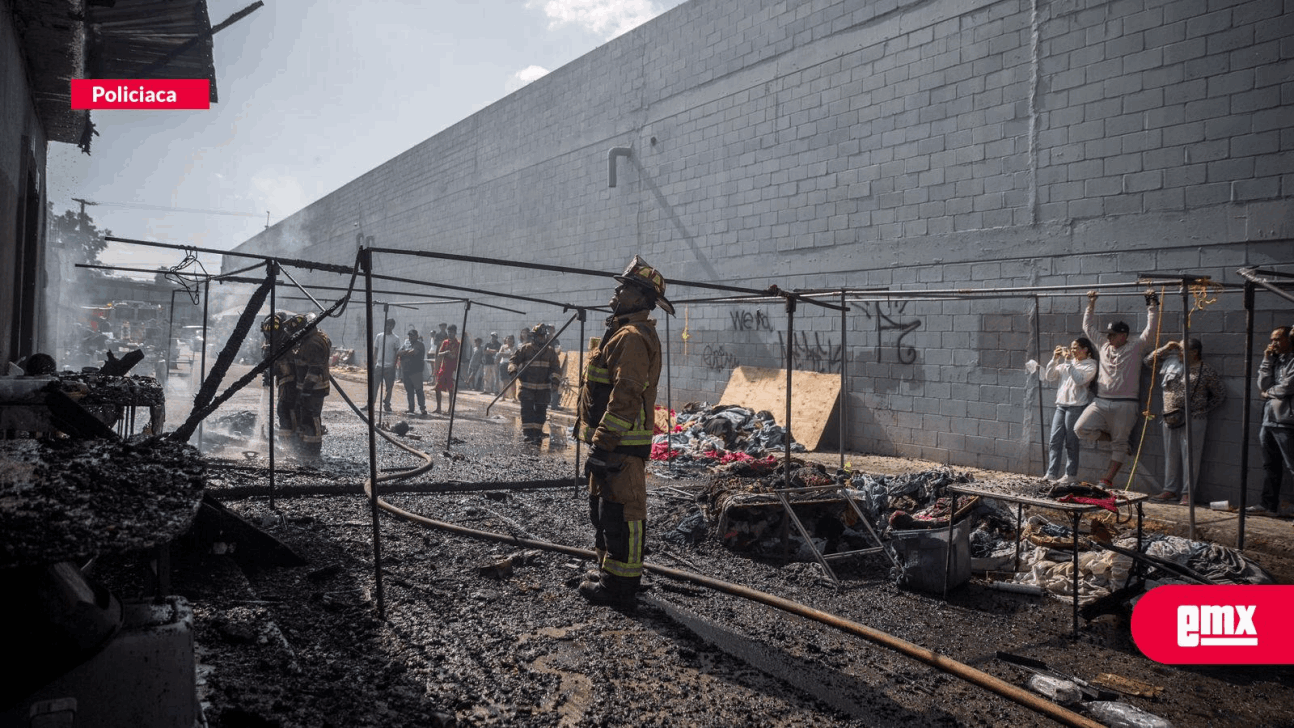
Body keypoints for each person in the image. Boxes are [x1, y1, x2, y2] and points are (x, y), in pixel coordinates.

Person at [577, 255, 674, 609]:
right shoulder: (619, 332)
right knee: (604, 512)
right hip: (609, 445)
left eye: (625, 287)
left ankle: (621, 585)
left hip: (620, 447)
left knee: (624, 515)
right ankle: (607, 571)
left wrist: (602, 445)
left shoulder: (632, 337)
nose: (616, 292)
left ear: (642, 299)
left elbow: (626, 395)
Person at [1074, 289, 1161, 489]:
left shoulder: (1136, 347)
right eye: (1109, 334)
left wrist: (1152, 304)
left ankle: (1107, 479)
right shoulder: (1103, 345)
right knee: (1080, 429)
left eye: (1113, 335)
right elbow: (1087, 326)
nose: (1109, 337)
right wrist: (1091, 303)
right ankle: (1114, 439)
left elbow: (1152, 328)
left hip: (1126, 404)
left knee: (1120, 444)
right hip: (1101, 401)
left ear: (1123, 335)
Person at [1144, 338, 1226, 504]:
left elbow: (1219, 395)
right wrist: (1166, 349)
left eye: (1182, 350)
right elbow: (1148, 361)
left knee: (1191, 457)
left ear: (1194, 352)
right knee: (1170, 455)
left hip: (1194, 418)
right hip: (1170, 417)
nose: (1179, 353)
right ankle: (1169, 490)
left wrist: (1200, 409)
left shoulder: (1205, 370)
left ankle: (1187, 493)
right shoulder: (1171, 363)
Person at [1040, 337, 1098, 484]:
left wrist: (1068, 364)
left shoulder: (1090, 365)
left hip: (1076, 406)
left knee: (1071, 442)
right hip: (1061, 405)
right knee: (1054, 440)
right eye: (1071, 348)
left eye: (1075, 348)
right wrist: (1055, 359)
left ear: (1085, 349)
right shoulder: (1069, 363)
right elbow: (1050, 376)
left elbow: (1080, 380)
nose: (1072, 351)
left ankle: (1070, 474)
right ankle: (1051, 473)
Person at [1255, 326, 1294, 515]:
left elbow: (1287, 388)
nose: (1273, 344)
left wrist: (1267, 394)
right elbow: (1262, 384)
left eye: (1277, 340)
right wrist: (1266, 360)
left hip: (1287, 422)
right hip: (1268, 420)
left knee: (1292, 465)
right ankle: (1268, 506)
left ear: (1289, 339)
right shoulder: (1276, 360)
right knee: (1270, 465)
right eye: (1271, 340)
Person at [287, 313, 331, 459]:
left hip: (314, 389)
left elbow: (314, 369)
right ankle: (304, 448)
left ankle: (312, 451)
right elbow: (302, 358)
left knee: (311, 418)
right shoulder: (311, 339)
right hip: (308, 388)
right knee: (304, 417)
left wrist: (306, 391)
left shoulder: (313, 343)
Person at [510, 324, 563, 445]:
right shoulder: (525, 349)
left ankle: (537, 434)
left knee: (541, 412)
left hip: (543, 389)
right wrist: (513, 371)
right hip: (527, 387)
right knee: (527, 411)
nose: (541, 339)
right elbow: (513, 360)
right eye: (539, 336)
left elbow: (556, 368)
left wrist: (555, 382)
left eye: (543, 336)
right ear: (533, 337)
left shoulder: (550, 351)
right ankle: (528, 435)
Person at [261, 311, 300, 451]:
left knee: (285, 409)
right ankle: (288, 442)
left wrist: (273, 370)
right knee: (285, 410)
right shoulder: (272, 339)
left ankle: (288, 444)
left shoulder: (287, 340)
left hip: (291, 380)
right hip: (284, 380)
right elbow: (268, 357)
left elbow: (288, 363)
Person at [369, 318, 400, 412]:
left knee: (389, 387)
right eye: (387, 325)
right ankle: (371, 403)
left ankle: (387, 404)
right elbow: (376, 350)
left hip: (390, 366)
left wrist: (395, 365)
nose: (388, 327)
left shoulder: (396, 338)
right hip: (379, 366)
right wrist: (373, 363)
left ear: (393, 326)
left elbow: (397, 353)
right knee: (374, 386)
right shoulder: (379, 336)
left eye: (391, 325)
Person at [397, 329, 427, 415]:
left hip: (416, 371)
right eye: (410, 335)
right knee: (409, 391)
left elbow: (413, 352)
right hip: (406, 371)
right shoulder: (406, 343)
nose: (411, 337)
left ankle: (422, 408)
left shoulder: (420, 345)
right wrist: (405, 352)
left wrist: (404, 353)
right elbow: (398, 352)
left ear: (416, 336)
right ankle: (411, 408)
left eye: (413, 335)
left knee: (419, 390)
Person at [432, 324, 460, 414]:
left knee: (451, 390)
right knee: (437, 388)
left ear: (455, 332)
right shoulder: (445, 342)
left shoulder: (457, 344)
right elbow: (439, 353)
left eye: (452, 332)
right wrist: (445, 352)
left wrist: (451, 355)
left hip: (451, 369)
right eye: (449, 332)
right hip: (443, 368)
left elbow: (456, 356)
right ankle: (438, 408)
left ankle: (450, 409)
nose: (450, 333)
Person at [495, 335, 516, 401]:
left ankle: (514, 397)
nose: (509, 340)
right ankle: (503, 396)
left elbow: (513, 355)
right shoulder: (503, 346)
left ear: (513, 340)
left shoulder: (515, 348)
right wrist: (508, 354)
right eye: (508, 339)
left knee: (512, 381)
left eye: (510, 339)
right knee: (504, 382)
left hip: (511, 365)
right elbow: (500, 354)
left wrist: (505, 354)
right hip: (503, 364)